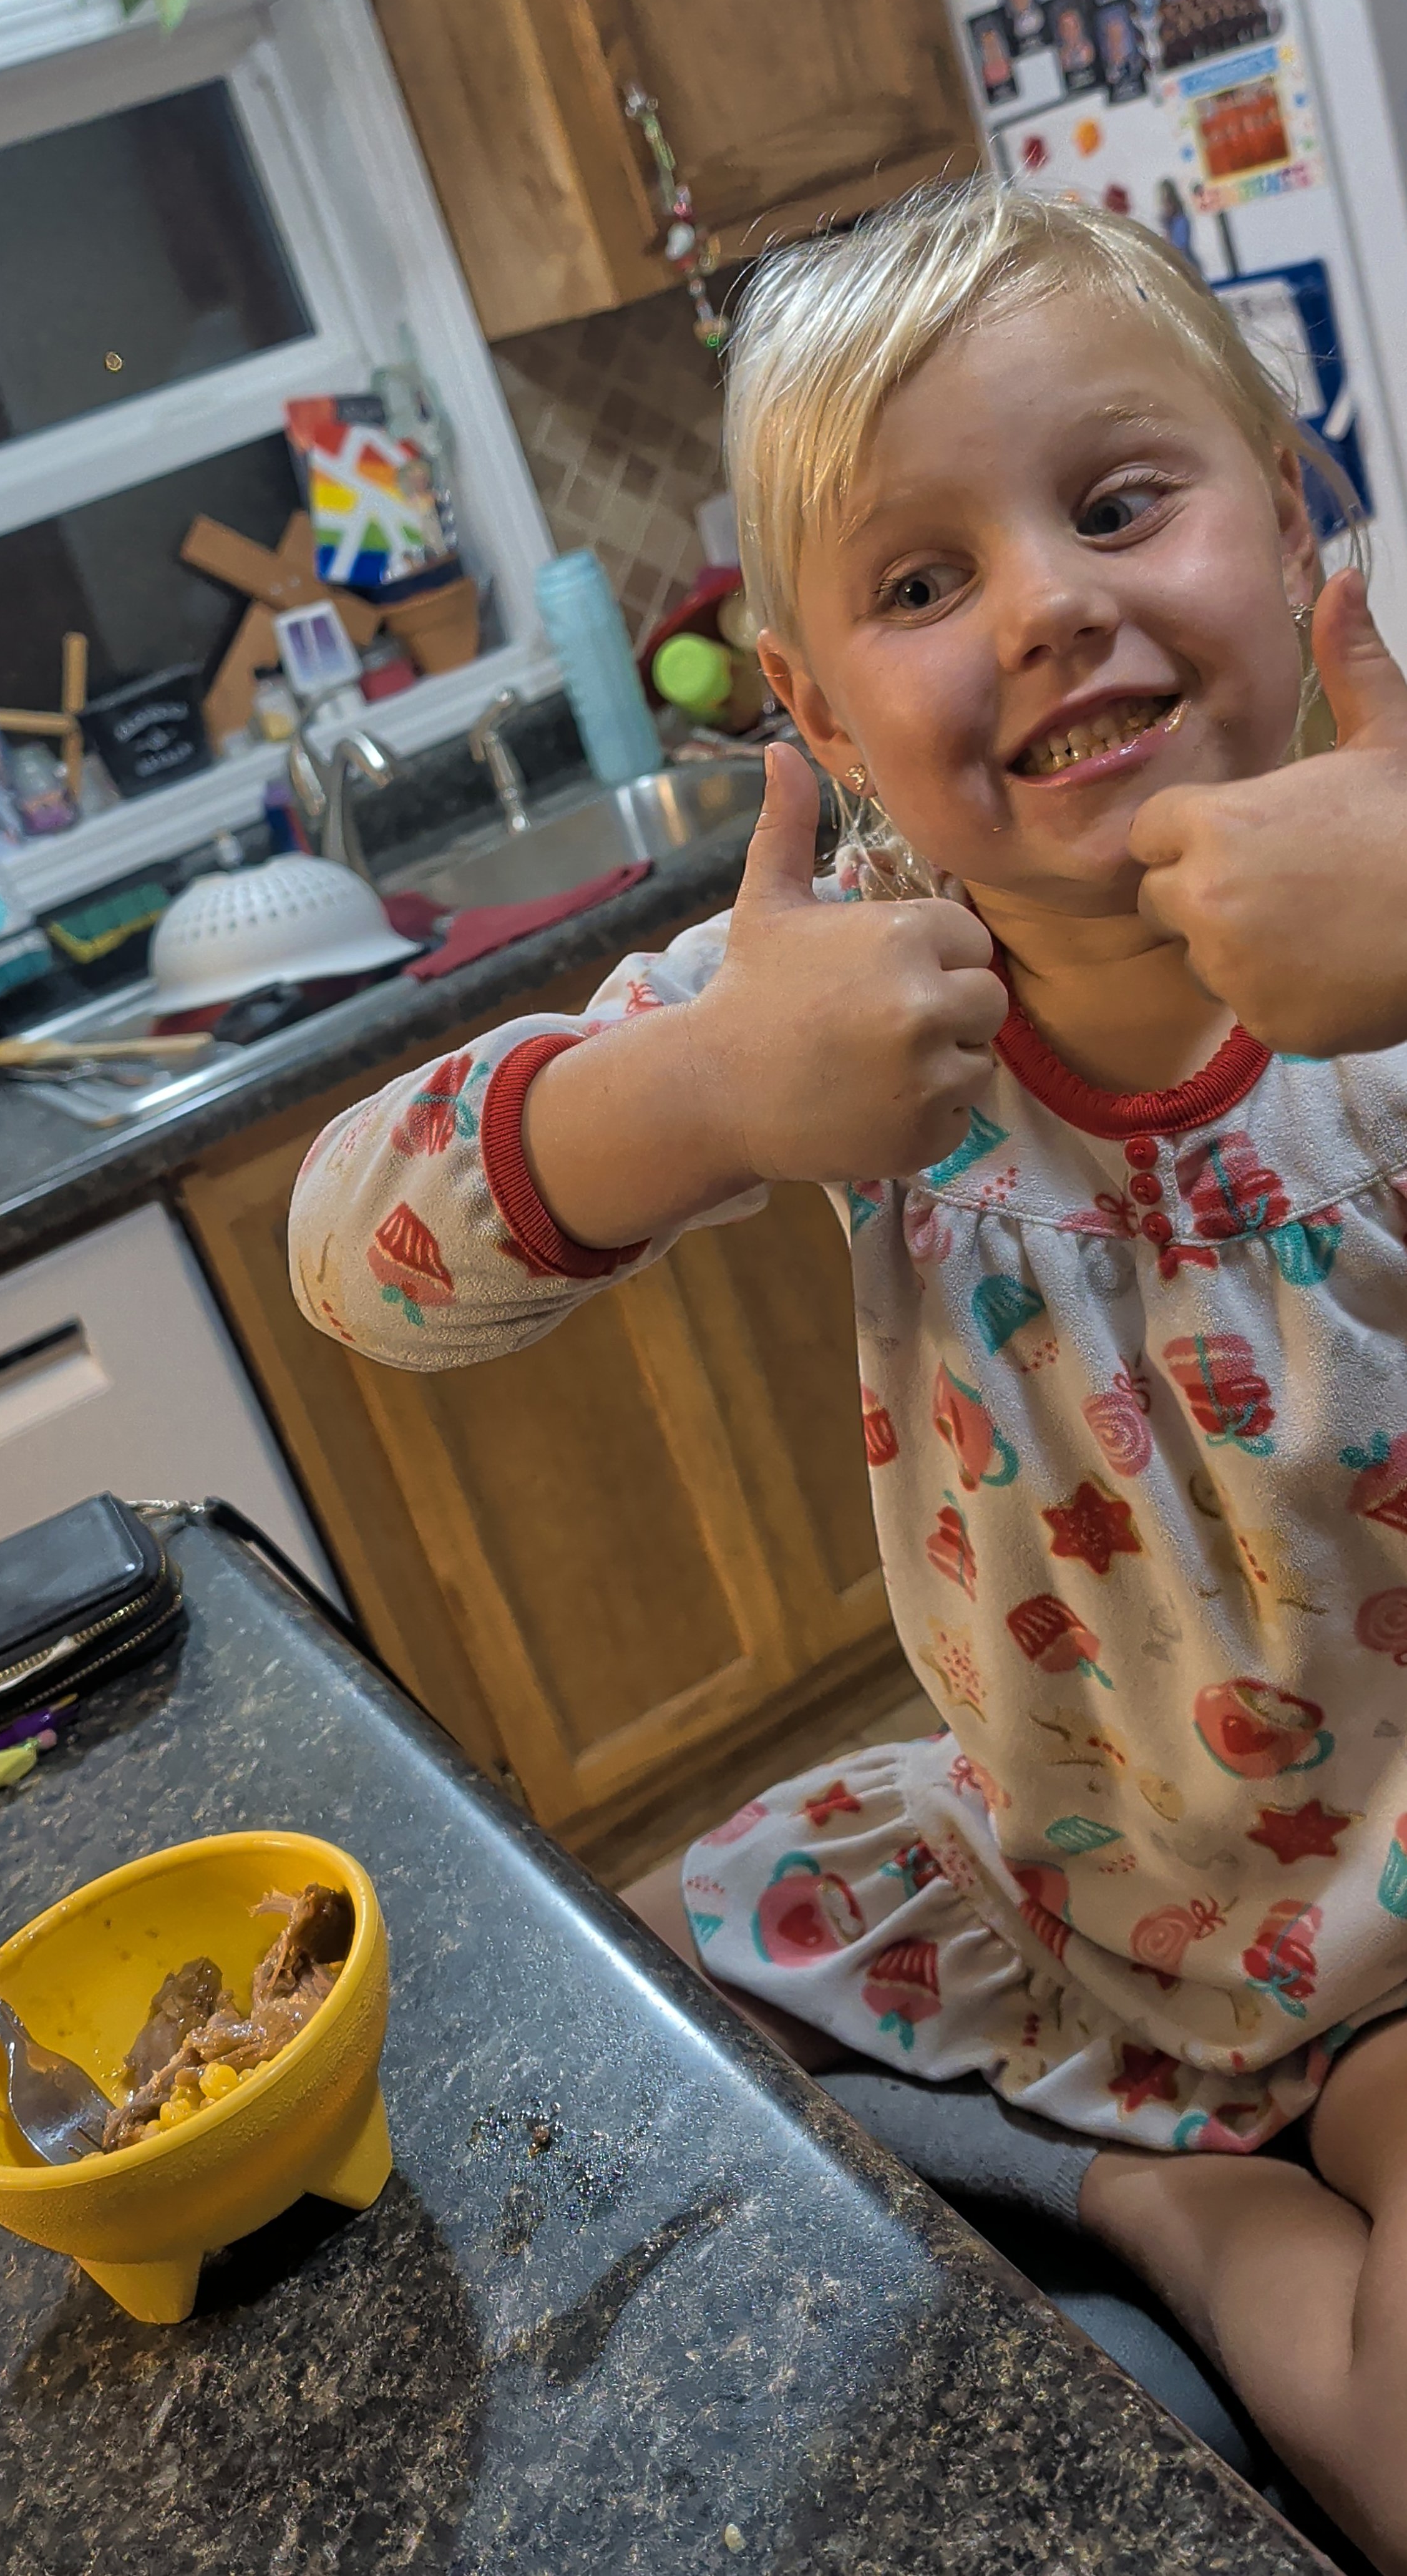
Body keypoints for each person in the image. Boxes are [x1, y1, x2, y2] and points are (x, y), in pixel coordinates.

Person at [290, 182, 1407, 2569]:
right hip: (1088, 1899)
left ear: (1289, 512)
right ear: (805, 710)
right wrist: (689, 1093)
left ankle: (1166, 2212)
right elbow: (349, 1262)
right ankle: (1159, 2171)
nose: (1042, 604)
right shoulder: (831, 994)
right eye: (915, 585)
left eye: (1118, 503)